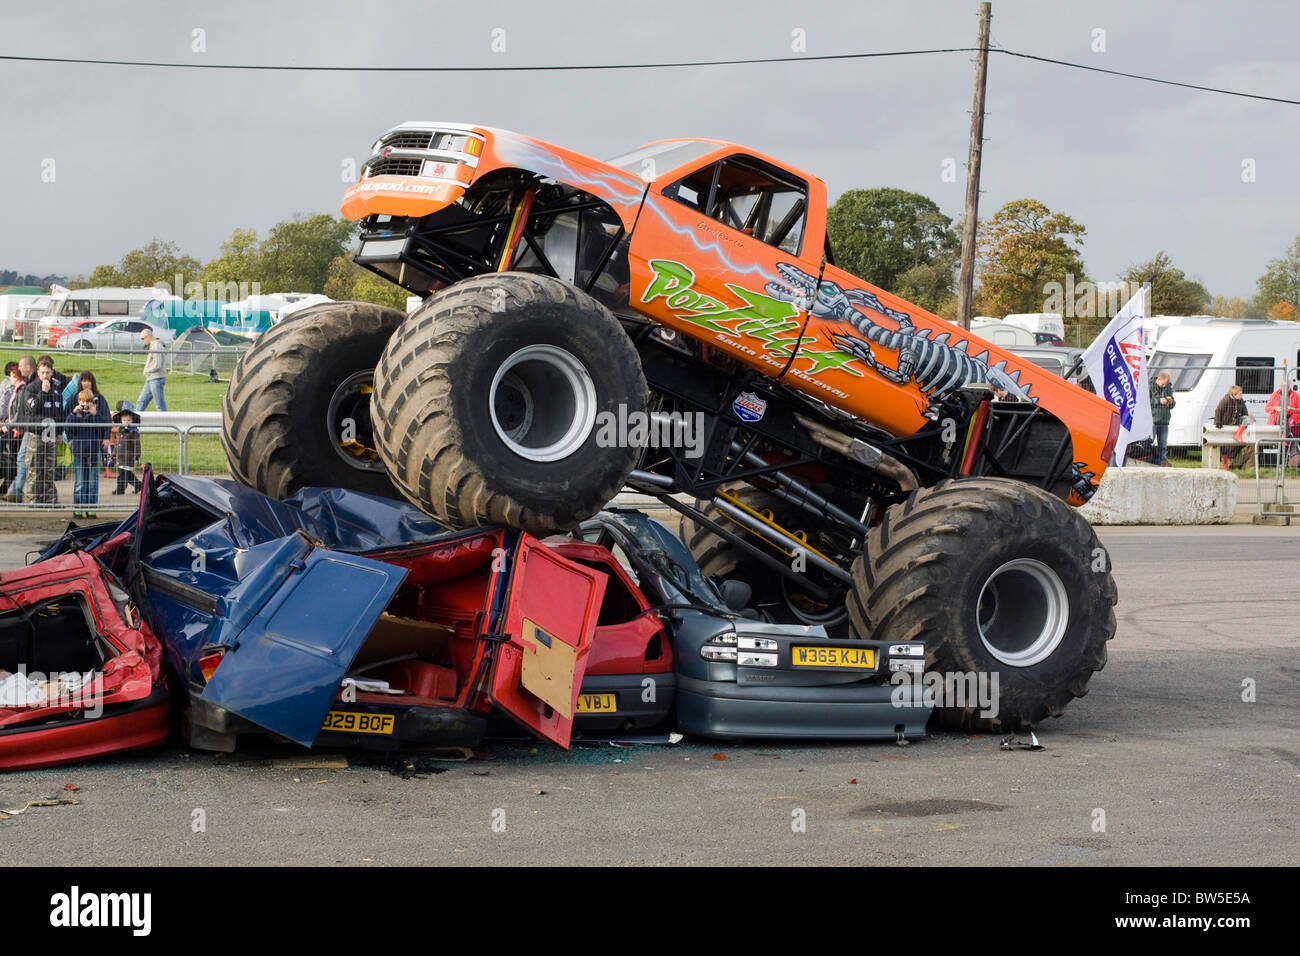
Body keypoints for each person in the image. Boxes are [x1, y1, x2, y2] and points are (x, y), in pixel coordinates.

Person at [15, 358, 66, 505]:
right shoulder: (31, 388)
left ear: (51, 373)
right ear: (38, 372)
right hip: (36, 433)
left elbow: (59, 412)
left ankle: (49, 500)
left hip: (51, 433)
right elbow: (33, 408)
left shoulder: (57, 389)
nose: (45, 375)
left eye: (48, 372)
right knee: (34, 468)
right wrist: (43, 392)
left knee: (49, 469)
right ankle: (32, 500)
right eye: (42, 372)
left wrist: (59, 432)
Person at [65, 388, 108, 518]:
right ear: (78, 401)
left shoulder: (96, 414)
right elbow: (68, 428)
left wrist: (95, 414)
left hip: (94, 451)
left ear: (93, 402)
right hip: (79, 451)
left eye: (88, 402)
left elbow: (102, 429)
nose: (85, 404)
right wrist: (74, 413)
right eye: (83, 401)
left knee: (92, 481)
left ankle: (91, 508)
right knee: (80, 481)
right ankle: (78, 508)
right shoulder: (76, 414)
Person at [2, 356, 36, 502]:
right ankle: (15, 491)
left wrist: (12, 425)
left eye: (22, 366)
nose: (20, 368)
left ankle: (17, 492)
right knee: (20, 460)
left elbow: (20, 411)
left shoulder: (25, 387)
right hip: (19, 427)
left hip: (23, 428)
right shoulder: (22, 386)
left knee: (21, 460)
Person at [1213, 384, 1254, 469]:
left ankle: (1238, 434)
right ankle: (1225, 466)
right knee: (1225, 447)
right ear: (1234, 394)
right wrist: (1218, 423)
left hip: (1236, 423)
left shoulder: (1241, 401)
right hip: (1226, 424)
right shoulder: (1226, 399)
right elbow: (1218, 410)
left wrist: (1246, 420)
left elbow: (1245, 412)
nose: (1241, 395)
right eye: (1239, 394)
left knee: (1246, 418)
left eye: (1241, 393)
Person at [0, 362, 23, 495]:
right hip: (10, 428)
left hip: (11, 427)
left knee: (12, 459)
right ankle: (8, 487)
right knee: (13, 460)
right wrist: (4, 422)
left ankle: (8, 487)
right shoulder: (9, 386)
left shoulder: (13, 386)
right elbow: (4, 405)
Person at [112, 401, 142, 495]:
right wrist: (113, 453)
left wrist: (137, 455)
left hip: (128, 457)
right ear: (121, 420)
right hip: (120, 457)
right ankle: (139, 485)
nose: (126, 422)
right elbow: (117, 443)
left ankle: (120, 489)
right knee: (127, 474)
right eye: (124, 420)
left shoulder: (134, 432)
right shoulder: (119, 431)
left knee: (122, 475)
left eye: (128, 420)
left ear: (132, 421)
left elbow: (137, 444)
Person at [137, 328, 168, 412]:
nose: (142, 341)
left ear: (149, 336)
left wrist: (147, 370)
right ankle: (135, 422)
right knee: (141, 401)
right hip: (150, 378)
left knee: (159, 405)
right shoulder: (152, 346)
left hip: (156, 379)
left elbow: (157, 364)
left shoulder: (156, 346)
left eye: (143, 338)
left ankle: (166, 422)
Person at [1149, 371, 1176, 466]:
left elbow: (1173, 404)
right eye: (1163, 384)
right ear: (1158, 379)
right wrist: (1159, 401)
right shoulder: (1150, 386)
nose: (1164, 386)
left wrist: (1170, 401)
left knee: (1163, 445)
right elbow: (1146, 402)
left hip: (1164, 421)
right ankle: (1150, 460)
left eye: (1166, 384)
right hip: (1153, 420)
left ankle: (1163, 462)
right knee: (1149, 442)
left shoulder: (1168, 387)